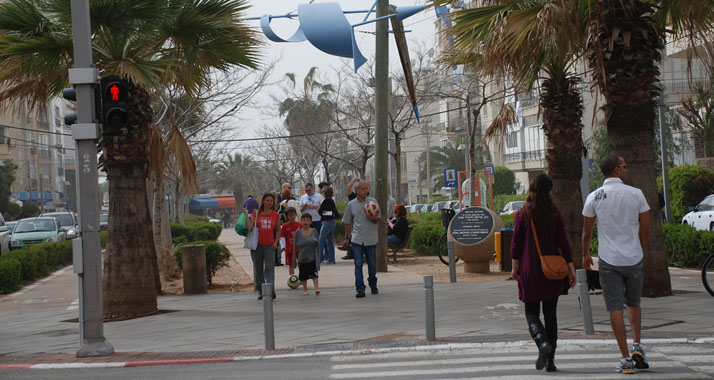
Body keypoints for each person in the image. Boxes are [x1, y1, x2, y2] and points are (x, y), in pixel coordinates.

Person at [582, 154, 650, 374]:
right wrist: (640, 248)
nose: (627, 169)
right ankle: (637, 345)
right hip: (634, 258)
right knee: (634, 303)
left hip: (609, 260)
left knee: (614, 308)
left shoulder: (595, 196)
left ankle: (625, 358)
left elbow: (587, 231)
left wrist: (585, 254)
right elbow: (646, 226)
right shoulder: (636, 194)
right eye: (624, 166)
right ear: (617, 170)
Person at [510, 174, 576, 372]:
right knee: (551, 315)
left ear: (531, 190)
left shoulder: (522, 215)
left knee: (531, 312)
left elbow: (515, 244)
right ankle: (551, 360)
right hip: (552, 271)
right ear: (549, 192)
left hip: (530, 270)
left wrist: (515, 268)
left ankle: (541, 342)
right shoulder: (555, 214)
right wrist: (571, 270)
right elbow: (563, 243)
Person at [342, 181, 380, 298]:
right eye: (362, 189)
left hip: (371, 238)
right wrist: (347, 238)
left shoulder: (372, 202)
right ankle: (360, 289)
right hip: (357, 238)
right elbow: (348, 223)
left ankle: (373, 284)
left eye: (366, 189)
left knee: (372, 264)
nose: (365, 191)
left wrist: (372, 217)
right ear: (356, 191)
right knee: (358, 264)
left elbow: (379, 219)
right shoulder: (351, 204)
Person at [245, 193, 281, 300]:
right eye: (267, 200)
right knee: (258, 268)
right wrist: (247, 215)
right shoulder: (256, 213)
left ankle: (270, 290)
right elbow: (250, 227)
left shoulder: (276, 215)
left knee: (269, 268)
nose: (269, 203)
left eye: (271, 201)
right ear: (263, 201)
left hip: (270, 246)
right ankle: (261, 290)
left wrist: (275, 242)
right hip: (257, 246)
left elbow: (278, 230)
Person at [294, 213, 320, 295]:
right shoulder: (298, 232)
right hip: (302, 257)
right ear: (301, 221)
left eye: (308, 220)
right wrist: (294, 259)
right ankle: (305, 289)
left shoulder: (314, 231)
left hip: (312, 257)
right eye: (304, 220)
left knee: (314, 274)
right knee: (303, 275)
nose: (306, 222)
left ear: (311, 222)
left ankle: (316, 288)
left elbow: (318, 244)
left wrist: (319, 257)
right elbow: (294, 246)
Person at [318, 186, 339, 264]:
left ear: (324, 193)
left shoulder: (325, 201)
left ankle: (319, 258)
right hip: (332, 221)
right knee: (330, 241)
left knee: (321, 240)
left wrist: (321, 211)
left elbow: (320, 211)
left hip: (326, 222)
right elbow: (335, 211)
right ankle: (331, 259)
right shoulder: (332, 201)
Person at [280, 207, 302, 276]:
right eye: (289, 215)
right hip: (289, 249)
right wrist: (283, 246)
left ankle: (302, 277)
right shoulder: (284, 226)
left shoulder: (300, 225)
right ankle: (292, 278)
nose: (292, 217)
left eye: (293, 214)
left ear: (295, 215)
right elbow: (282, 237)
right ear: (287, 217)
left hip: (299, 248)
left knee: (301, 263)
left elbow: (303, 236)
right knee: (291, 265)